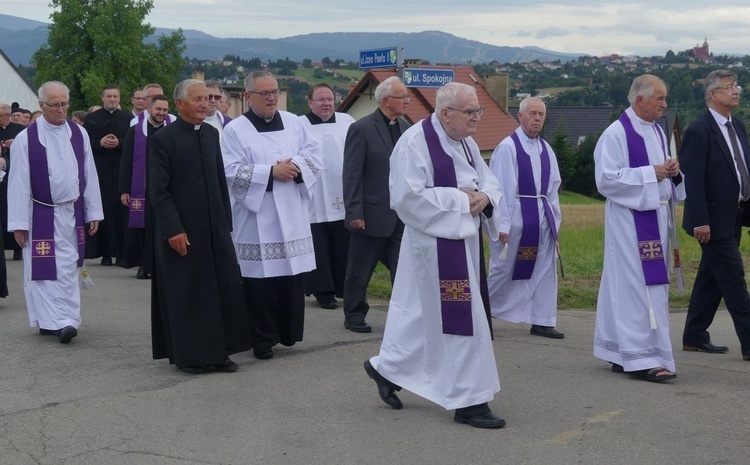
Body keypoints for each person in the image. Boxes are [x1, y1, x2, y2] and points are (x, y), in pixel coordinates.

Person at [364, 82, 505, 429]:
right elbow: (406, 198)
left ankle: (387, 368)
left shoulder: (467, 142)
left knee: (421, 315)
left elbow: (489, 181)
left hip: (463, 241)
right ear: (445, 113)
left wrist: (484, 198)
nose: (476, 119)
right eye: (470, 112)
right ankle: (469, 401)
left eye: (478, 111)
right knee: (461, 319)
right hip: (434, 245)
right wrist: (462, 201)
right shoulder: (414, 144)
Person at [149, 79, 250, 374]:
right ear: (180, 104)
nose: (206, 104)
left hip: (214, 227)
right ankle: (191, 356)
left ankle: (220, 352)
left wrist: (225, 224)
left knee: (220, 289)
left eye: (208, 99)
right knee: (190, 293)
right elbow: (159, 191)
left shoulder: (209, 133)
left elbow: (219, 180)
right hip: (182, 230)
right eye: (198, 99)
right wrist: (173, 229)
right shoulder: (163, 140)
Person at [221, 70, 321, 360]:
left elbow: (314, 154)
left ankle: (287, 334)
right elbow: (229, 171)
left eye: (275, 92)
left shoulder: (294, 122)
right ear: (248, 95)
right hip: (258, 218)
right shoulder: (235, 130)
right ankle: (262, 339)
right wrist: (270, 173)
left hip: (292, 211)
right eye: (264, 93)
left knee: (290, 277)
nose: (271, 98)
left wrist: (297, 166)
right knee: (260, 282)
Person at [593, 74, 685, 382]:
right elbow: (606, 180)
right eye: (660, 98)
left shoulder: (657, 131)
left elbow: (661, 174)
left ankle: (620, 351)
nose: (665, 104)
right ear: (640, 99)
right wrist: (652, 173)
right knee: (634, 289)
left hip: (654, 219)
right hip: (629, 222)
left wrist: (672, 171)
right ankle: (641, 358)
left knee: (645, 287)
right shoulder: (616, 133)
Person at [8, 81, 103, 343]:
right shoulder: (26, 139)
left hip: (72, 212)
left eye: (64, 104)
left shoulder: (78, 133)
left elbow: (89, 174)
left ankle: (69, 319)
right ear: (42, 106)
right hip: (40, 214)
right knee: (45, 270)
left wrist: (93, 211)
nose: (61, 109)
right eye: (55, 105)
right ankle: (56, 322)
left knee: (71, 264)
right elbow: (18, 183)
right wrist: (19, 223)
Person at [681, 70, 750, 360]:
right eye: (729, 87)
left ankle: (694, 336)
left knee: (711, 278)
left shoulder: (739, 127)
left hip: (735, 215)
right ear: (713, 94)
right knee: (734, 278)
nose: (736, 91)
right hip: (711, 221)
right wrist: (700, 220)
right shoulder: (699, 131)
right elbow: (692, 180)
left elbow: (742, 171)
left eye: (736, 85)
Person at [487, 97, 564, 338]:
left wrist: (554, 219)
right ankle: (479, 309)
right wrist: (504, 224)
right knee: (504, 268)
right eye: (532, 113)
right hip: (517, 219)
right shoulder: (507, 148)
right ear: (519, 116)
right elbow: (501, 188)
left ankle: (542, 319)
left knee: (544, 269)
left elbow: (553, 189)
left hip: (541, 218)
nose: (538, 118)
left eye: (541, 114)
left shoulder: (546, 149)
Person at [341, 76, 411, 333]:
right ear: (386, 100)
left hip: (401, 215)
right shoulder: (362, 128)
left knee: (403, 269)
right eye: (403, 96)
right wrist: (354, 212)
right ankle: (354, 314)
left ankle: (403, 316)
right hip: (369, 213)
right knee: (360, 269)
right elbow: (351, 174)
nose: (407, 101)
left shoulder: (405, 128)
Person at [300, 83, 355, 309]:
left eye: (330, 99)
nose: (326, 104)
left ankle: (344, 287)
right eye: (321, 100)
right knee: (318, 244)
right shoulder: (299, 124)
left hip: (342, 191)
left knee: (342, 242)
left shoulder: (347, 121)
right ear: (310, 102)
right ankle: (323, 291)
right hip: (314, 195)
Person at [118, 94, 171, 279]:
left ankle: (161, 266)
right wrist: (125, 190)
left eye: (165, 110)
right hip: (144, 188)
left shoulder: (172, 130)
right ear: (149, 108)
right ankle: (144, 265)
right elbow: (126, 161)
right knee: (144, 228)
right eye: (158, 109)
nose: (161, 113)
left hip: (166, 188)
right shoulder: (136, 131)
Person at [84, 84, 132, 266]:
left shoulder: (128, 119)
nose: (112, 99)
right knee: (103, 209)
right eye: (109, 96)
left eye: (115, 96)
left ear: (119, 99)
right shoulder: (92, 119)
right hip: (101, 170)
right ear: (102, 98)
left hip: (120, 170)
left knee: (121, 212)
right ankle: (104, 252)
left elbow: (132, 143)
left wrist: (118, 143)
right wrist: (100, 143)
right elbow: (86, 144)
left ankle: (120, 251)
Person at [1, 102, 26, 263]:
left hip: (15, 176)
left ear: (5, 115)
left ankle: (18, 249)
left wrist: (14, 145)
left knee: (13, 210)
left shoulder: (20, 131)